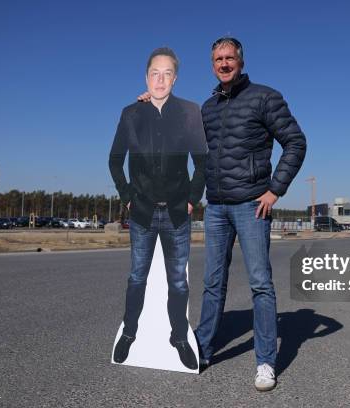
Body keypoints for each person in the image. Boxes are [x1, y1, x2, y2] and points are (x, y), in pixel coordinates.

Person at [194, 37, 307, 391]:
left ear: (240, 62)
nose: (224, 63)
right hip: (215, 206)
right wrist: (152, 106)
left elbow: (296, 142)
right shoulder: (207, 107)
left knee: (260, 284)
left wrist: (275, 190)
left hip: (251, 205)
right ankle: (201, 349)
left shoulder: (264, 97)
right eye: (218, 59)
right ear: (212, 64)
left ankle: (265, 362)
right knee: (213, 283)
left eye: (229, 58)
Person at [109, 47, 207, 370]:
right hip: (142, 214)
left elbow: (202, 163)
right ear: (146, 77)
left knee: (178, 282)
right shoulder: (131, 114)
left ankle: (179, 336)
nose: (160, 79)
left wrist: (192, 198)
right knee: (137, 277)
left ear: (175, 79)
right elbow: (114, 160)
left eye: (167, 74)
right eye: (155, 73)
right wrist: (127, 196)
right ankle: (129, 333)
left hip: (178, 212)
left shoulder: (190, 113)